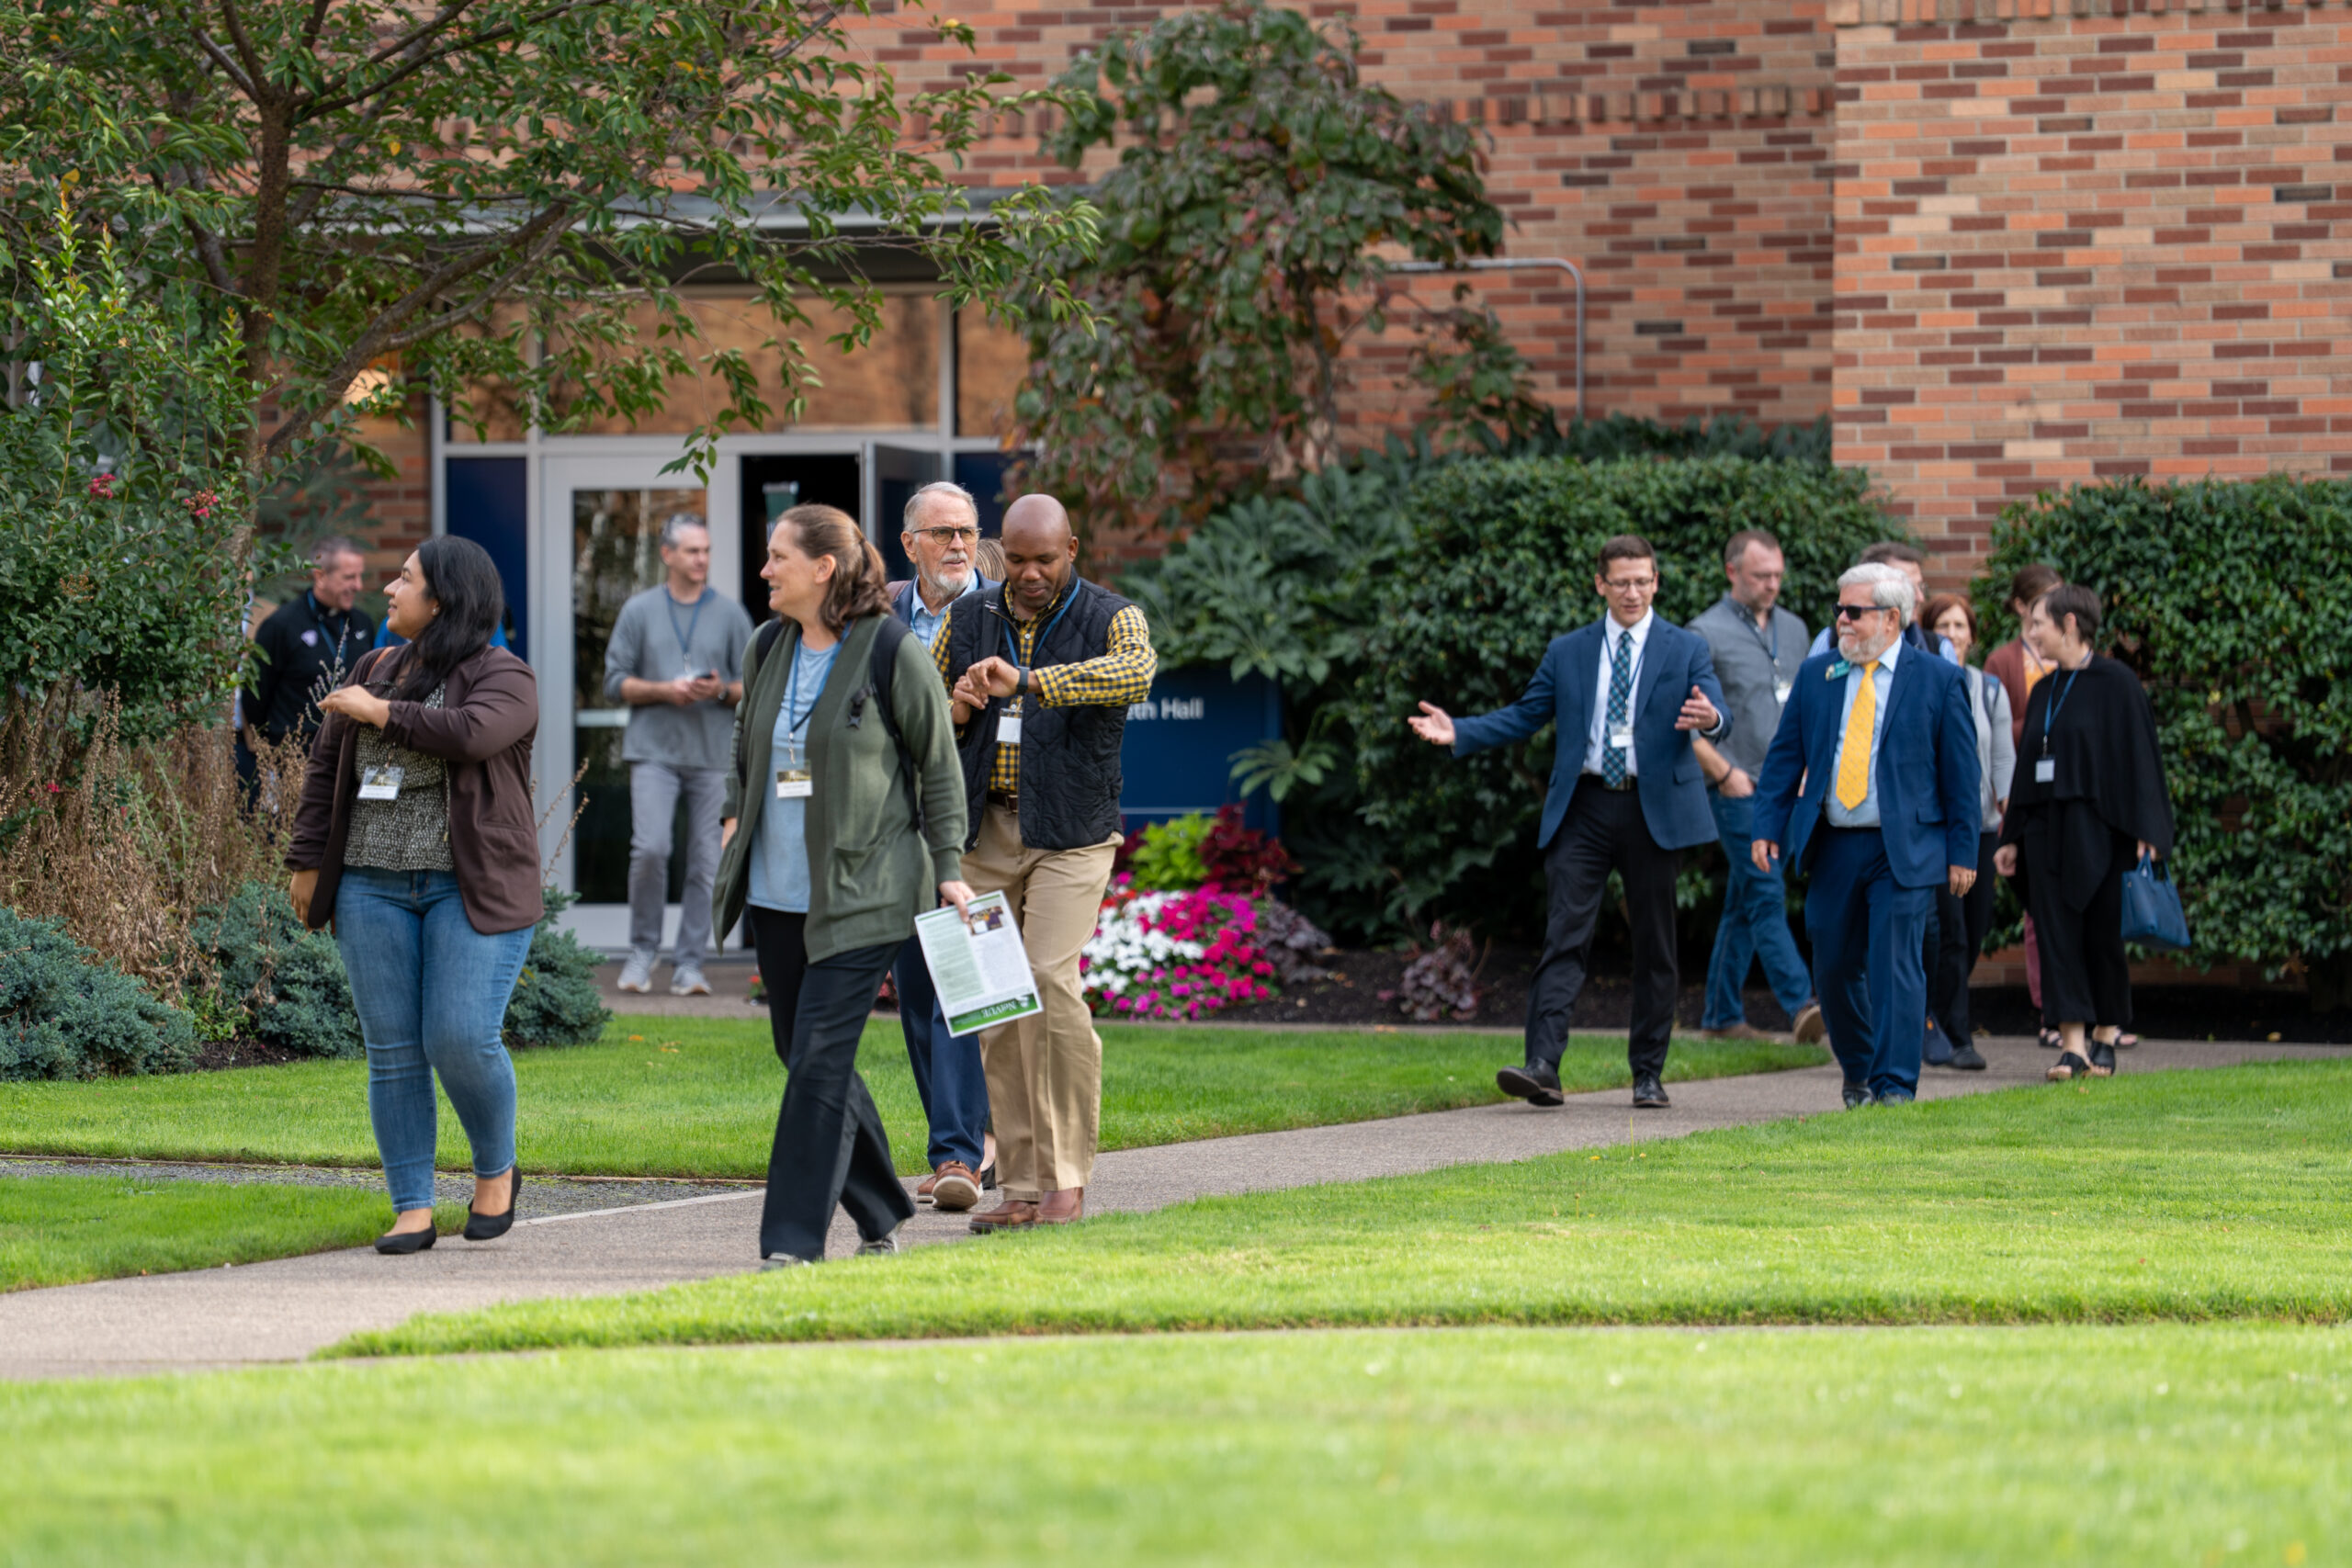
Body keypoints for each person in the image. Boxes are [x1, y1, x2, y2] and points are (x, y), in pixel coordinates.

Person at [712, 504, 972, 1266]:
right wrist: (734, 816)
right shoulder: (768, 645)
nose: (765, 570)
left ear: (824, 567)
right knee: (803, 1051)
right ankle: (883, 1202)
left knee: (820, 1058)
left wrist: (949, 869)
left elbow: (938, 769)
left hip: (870, 891)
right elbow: (742, 744)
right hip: (778, 892)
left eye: (777, 557)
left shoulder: (890, 648)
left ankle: (790, 1241)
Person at [1408, 536, 1730, 1111]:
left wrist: (1712, 718)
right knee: (1564, 935)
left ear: (1656, 582)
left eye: (1643, 580)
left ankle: (1648, 1075)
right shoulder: (1569, 650)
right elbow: (1527, 714)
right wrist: (1462, 731)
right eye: (1621, 581)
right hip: (1583, 805)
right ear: (1600, 584)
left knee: (1656, 945)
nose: (1632, 592)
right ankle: (1542, 1067)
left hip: (1652, 808)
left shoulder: (1685, 648)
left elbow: (1718, 711)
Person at [285, 537, 539, 1256]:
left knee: (459, 1035)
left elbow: (472, 733)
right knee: (393, 1049)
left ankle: (496, 1169)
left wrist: (382, 714)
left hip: (470, 886)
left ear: (445, 599)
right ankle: (412, 1205)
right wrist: (307, 861)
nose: (390, 589)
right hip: (369, 885)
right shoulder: (376, 668)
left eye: (406, 578)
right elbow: (325, 767)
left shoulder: (505, 675)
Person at [935, 493, 1157, 1230]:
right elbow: (923, 710)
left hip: (1072, 833)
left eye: (1045, 559)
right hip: (985, 833)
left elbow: (1132, 675)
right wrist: (960, 704)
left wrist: (1030, 682)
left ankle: (1066, 1178)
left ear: (1073, 549)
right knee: (996, 1003)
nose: (1029, 574)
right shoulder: (968, 619)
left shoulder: (1113, 615)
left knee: (1047, 979)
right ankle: (1021, 1185)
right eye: (1018, 559)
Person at [1752, 563, 1981, 1109]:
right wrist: (1766, 825)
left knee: (1896, 965)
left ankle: (1895, 1084)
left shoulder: (1938, 679)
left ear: (1892, 619)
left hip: (1903, 849)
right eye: (1839, 610)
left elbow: (1961, 774)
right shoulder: (1818, 675)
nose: (1842, 621)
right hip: (1833, 842)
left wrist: (1962, 850)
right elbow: (1785, 759)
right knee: (1831, 964)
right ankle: (1858, 1070)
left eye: (1853, 612)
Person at [1994, 584, 2173, 1082]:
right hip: (2047, 833)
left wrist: (2148, 831)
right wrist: (2010, 838)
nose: (2032, 634)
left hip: (2104, 832)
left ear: (2069, 623)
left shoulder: (2118, 683)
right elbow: (2028, 768)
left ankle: (2105, 1035)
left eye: (2039, 624)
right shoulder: (2045, 689)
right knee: (2056, 936)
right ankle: (2072, 1046)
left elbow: (2141, 762)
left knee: (2100, 936)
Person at [886, 480, 998, 1212]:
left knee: (962, 987)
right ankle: (955, 1144)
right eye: (941, 532)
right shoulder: (882, 615)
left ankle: (960, 1151)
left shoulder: (1002, 613)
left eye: (966, 530)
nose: (957, 544)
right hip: (893, 833)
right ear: (911, 544)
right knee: (917, 991)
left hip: (975, 830)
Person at [603, 515, 752, 998]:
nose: (702, 559)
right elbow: (612, 683)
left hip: (713, 756)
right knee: (650, 850)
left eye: (706, 550)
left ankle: (690, 963)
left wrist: (719, 690)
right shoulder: (639, 610)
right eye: (692, 551)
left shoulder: (730, 614)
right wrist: (664, 690)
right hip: (654, 753)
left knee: (707, 861)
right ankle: (642, 952)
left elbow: (753, 687)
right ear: (667, 554)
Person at [1688, 529, 1825, 1045]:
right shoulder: (1704, 632)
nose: (1772, 585)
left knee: (1744, 901)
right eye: (1760, 576)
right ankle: (1803, 1003)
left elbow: (1807, 704)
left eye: (1777, 575)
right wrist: (1723, 772)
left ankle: (1721, 1016)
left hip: (1789, 786)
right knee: (1766, 893)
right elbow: (1685, 720)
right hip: (1739, 787)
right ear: (1732, 573)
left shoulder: (1794, 629)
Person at [1919, 593, 2014, 1070]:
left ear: (1973, 636)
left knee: (1973, 930)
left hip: (1983, 828)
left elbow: (2001, 757)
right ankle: (1954, 1033)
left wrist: (2008, 814)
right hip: (1938, 831)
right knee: (1949, 932)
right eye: (1943, 626)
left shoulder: (1990, 689)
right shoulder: (1925, 682)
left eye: (1960, 626)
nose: (1953, 634)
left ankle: (1937, 1015)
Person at [1982, 562, 2064, 1044]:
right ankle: (2046, 1009)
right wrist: (2040, 725)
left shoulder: (2070, 655)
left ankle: (2089, 1010)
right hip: (2019, 793)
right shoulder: (2002, 661)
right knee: (2037, 910)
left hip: (2064, 795)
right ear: (2020, 606)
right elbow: (1995, 729)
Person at [244, 537, 376, 763]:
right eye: (349, 577)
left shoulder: (361, 623)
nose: (358, 585)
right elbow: (256, 695)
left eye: (359, 576)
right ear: (320, 576)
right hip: (294, 757)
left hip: (349, 752)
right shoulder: (282, 625)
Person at [1805, 542, 1957, 664]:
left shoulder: (1938, 649)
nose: (1919, 597)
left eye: (1920, 587)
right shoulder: (1830, 641)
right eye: (1908, 587)